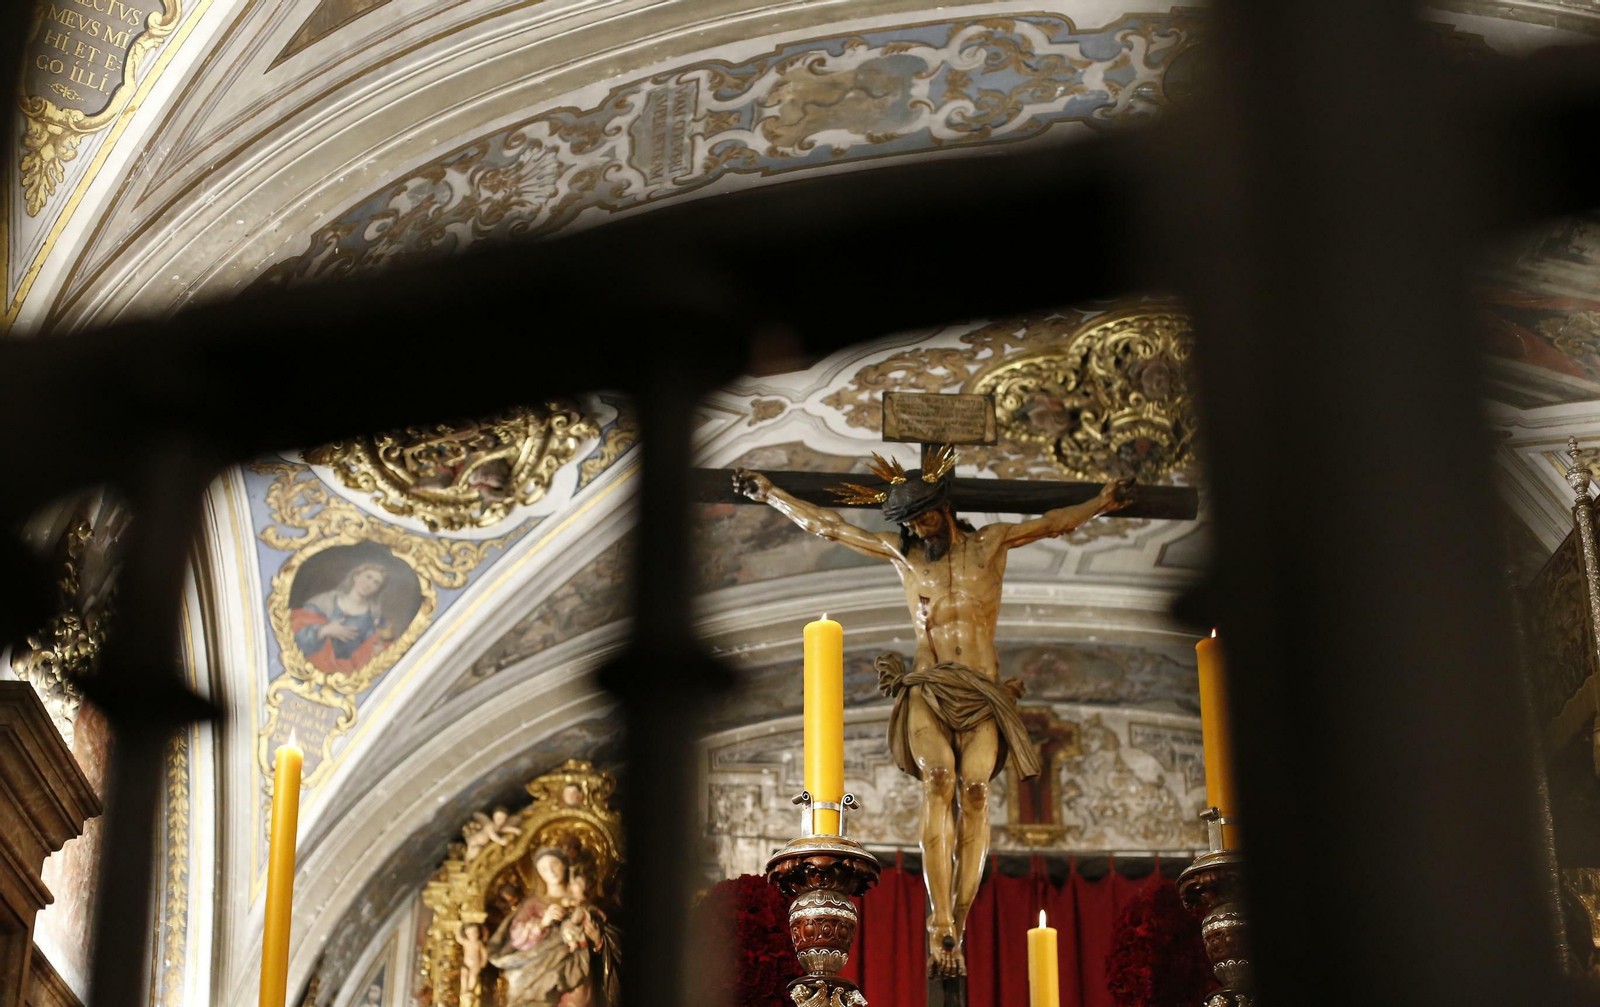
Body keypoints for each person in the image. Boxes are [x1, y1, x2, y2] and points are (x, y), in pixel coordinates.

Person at [735, 445, 1132, 977]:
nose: (918, 529)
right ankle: (938, 918)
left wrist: (1103, 501)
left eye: (922, 516)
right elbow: (830, 528)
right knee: (939, 778)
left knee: (975, 789)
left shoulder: (991, 545)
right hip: (928, 685)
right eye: (908, 522)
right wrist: (772, 495)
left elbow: (1053, 524)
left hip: (983, 691)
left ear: (942, 506)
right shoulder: (906, 560)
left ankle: (959, 919)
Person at [487, 848, 617, 1007]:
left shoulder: (582, 900)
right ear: (538, 874)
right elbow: (516, 937)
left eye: (554, 864)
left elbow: (604, 933)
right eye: (543, 868)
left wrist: (598, 940)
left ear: (565, 866)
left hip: (576, 965)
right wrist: (542, 923)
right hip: (539, 967)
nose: (550, 871)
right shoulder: (532, 904)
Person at [291, 563, 395, 672]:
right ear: (356, 576)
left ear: (377, 589)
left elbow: (378, 643)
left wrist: (377, 649)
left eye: (376, 583)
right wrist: (323, 631)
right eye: (368, 576)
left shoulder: (374, 615)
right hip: (314, 666)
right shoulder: (325, 602)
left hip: (348, 671)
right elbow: (295, 636)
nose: (369, 584)